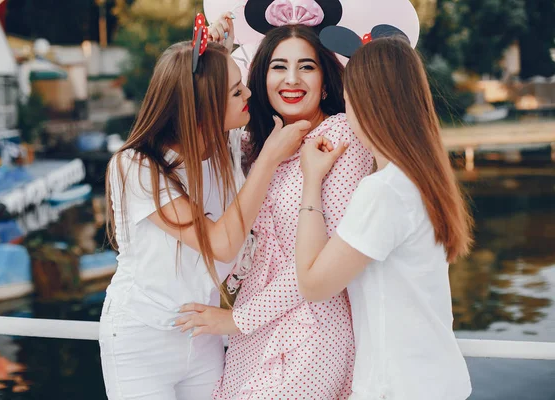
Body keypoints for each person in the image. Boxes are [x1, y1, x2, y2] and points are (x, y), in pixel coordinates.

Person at [99, 35, 311, 400]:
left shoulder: (226, 146)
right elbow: (221, 244)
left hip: (203, 335)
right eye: (235, 92)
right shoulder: (136, 167)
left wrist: (221, 46)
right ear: (201, 107)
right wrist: (270, 159)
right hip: (142, 339)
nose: (248, 95)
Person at [175, 17, 374, 399]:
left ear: (326, 79)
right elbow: (195, 111)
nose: (292, 80)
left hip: (310, 329)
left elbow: (322, 261)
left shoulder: (341, 136)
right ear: (259, 79)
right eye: (278, 67)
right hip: (251, 333)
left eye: (307, 67)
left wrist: (235, 320)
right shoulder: (257, 144)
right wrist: (215, 52)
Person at [295, 36, 474, 400]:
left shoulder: (384, 192)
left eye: (348, 101)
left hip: (400, 387)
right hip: (438, 379)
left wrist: (311, 181)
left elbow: (313, 284)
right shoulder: (423, 177)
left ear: (367, 104)